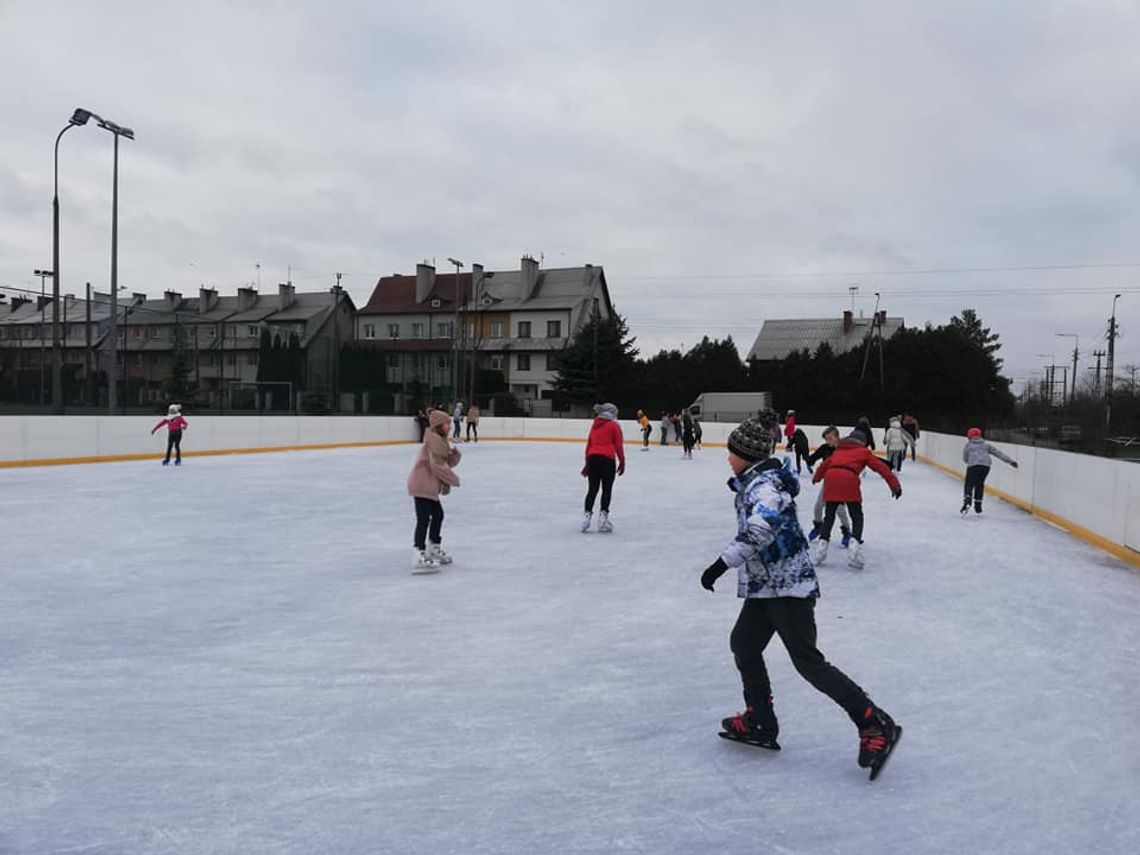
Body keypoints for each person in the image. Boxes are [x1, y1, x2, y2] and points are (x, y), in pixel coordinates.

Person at [698, 410, 901, 780]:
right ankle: (760, 719)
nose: (728, 457)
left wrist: (719, 564)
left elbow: (759, 530)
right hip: (768, 587)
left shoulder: (764, 488)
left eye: (732, 451)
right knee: (744, 644)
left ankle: (874, 722)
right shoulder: (755, 480)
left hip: (788, 588)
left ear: (748, 454)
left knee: (808, 662)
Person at [811, 430, 901, 568]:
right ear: (862, 442)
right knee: (857, 516)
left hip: (831, 479)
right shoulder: (863, 452)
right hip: (849, 479)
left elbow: (824, 465)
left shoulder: (838, 451)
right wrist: (894, 485)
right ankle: (854, 545)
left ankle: (821, 548)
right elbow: (881, 468)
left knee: (829, 516)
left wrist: (816, 478)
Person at [406, 409, 462, 573]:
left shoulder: (440, 441)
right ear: (439, 425)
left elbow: (444, 463)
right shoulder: (434, 442)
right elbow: (437, 466)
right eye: (447, 424)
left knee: (437, 515)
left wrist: (455, 456)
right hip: (421, 484)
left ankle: (433, 547)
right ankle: (418, 552)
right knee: (424, 519)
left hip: (429, 486)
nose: (450, 427)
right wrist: (453, 479)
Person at [581, 402, 626, 532]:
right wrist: (622, 461)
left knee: (592, 489)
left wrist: (587, 463)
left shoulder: (595, 425)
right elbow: (618, 445)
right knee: (607, 489)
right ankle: (603, 519)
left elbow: (589, 445)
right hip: (607, 460)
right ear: (611, 413)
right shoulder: (614, 426)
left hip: (593, 459)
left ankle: (587, 517)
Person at [805, 426, 852, 546]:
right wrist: (806, 456)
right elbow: (812, 459)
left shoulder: (844, 449)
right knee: (818, 506)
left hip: (841, 483)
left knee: (840, 510)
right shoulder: (825, 448)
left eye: (830, 438)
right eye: (826, 439)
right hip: (828, 482)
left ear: (837, 437)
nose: (828, 441)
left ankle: (847, 531)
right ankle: (818, 526)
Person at [961, 427, 1017, 514]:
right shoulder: (986, 445)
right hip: (985, 467)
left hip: (973, 466)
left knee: (969, 483)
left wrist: (970, 462)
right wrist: (1010, 461)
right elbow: (998, 453)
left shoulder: (968, 445)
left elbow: (965, 458)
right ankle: (978, 505)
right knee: (979, 484)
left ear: (969, 436)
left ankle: (967, 500)